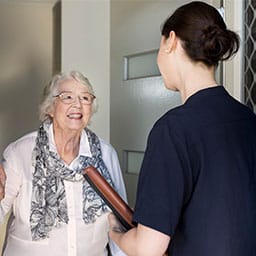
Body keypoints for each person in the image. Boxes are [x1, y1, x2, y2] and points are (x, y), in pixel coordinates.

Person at [108, 1, 256, 256]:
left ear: (171, 41)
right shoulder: (248, 120)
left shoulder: (173, 130)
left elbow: (148, 248)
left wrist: (115, 234)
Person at [0, 70, 127, 256]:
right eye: (67, 97)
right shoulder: (20, 152)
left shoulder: (106, 154)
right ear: (50, 108)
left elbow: (120, 220)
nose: (77, 104)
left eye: (85, 98)